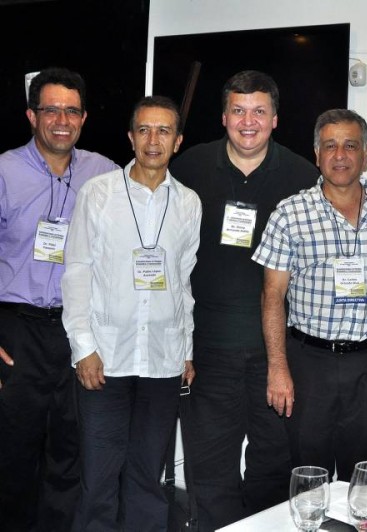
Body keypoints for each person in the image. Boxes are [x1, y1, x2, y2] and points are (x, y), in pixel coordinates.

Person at [170, 70, 318, 530]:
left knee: (273, 468)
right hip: (206, 354)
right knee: (209, 468)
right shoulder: (189, 168)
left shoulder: (303, 176)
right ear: (223, 116)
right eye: (238, 110)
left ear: (275, 119)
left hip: (276, 356)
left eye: (259, 111)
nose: (248, 121)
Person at [61, 95, 200, 531]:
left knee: (146, 477)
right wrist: (83, 347)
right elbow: (77, 269)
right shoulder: (98, 193)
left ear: (177, 141)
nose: (153, 140)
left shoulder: (189, 203)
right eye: (144, 130)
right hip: (107, 357)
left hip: (162, 359)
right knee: (99, 478)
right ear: (130, 137)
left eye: (163, 131)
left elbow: (183, 282)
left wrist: (186, 349)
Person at [0, 67, 118, 532]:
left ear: (84, 118)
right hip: (17, 330)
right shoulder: (4, 171)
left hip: (77, 329)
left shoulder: (103, 172)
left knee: (71, 452)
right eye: (51, 110)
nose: (61, 120)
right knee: (13, 451)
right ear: (32, 115)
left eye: (72, 110)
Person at [252, 109, 367, 481]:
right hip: (310, 362)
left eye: (350, 145)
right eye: (330, 146)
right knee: (310, 474)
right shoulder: (290, 214)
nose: (340, 155)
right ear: (316, 154)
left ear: (366, 153)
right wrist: (278, 368)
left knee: (365, 473)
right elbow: (272, 295)